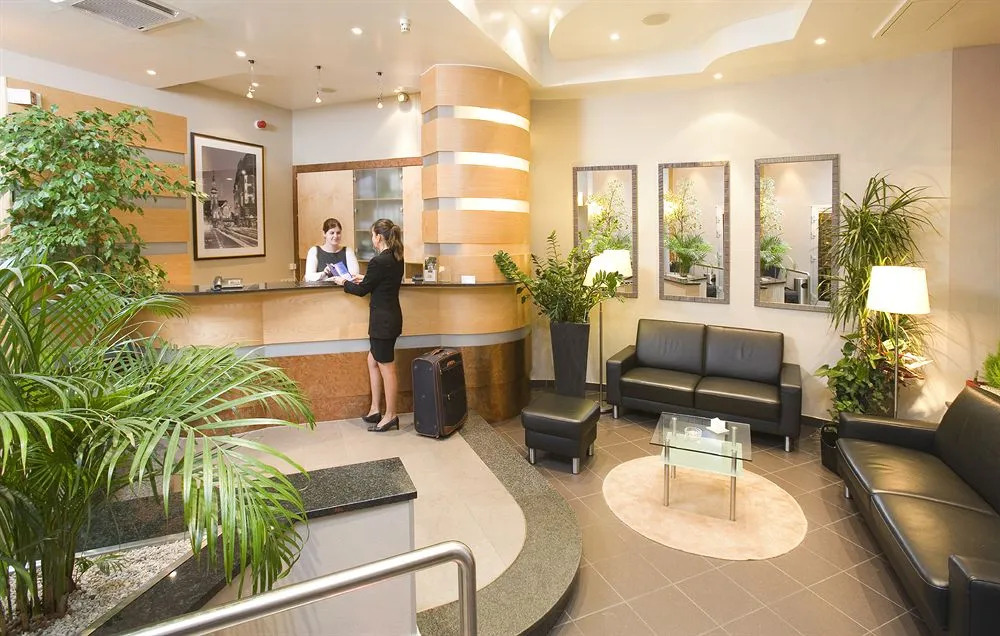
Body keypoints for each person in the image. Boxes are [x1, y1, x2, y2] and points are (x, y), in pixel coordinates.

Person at [333, 219, 404, 432]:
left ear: (378, 237)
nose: (372, 239)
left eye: (372, 235)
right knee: (373, 360)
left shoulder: (378, 261)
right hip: (390, 319)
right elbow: (383, 281)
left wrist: (344, 282)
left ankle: (391, 415)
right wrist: (364, 277)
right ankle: (375, 409)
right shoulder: (396, 257)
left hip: (383, 323)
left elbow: (362, 290)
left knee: (387, 368)